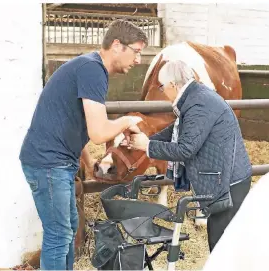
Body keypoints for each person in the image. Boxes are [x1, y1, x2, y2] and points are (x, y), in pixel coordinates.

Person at [19, 19, 148, 270]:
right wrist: (127, 120)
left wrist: (88, 162)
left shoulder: (90, 67)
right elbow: (99, 132)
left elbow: (74, 121)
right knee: (59, 234)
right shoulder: (92, 70)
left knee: (66, 229)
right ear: (117, 45)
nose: (139, 60)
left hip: (57, 162)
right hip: (49, 163)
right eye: (137, 51)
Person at [125, 60, 253, 252]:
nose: (162, 91)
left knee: (220, 245)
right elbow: (178, 131)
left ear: (173, 85)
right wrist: (146, 138)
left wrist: (149, 146)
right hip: (225, 178)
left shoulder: (199, 104)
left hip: (229, 184)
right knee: (220, 239)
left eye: (162, 86)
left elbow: (185, 149)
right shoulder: (194, 97)